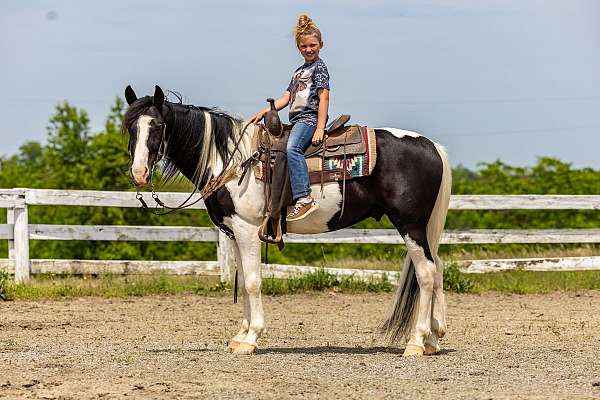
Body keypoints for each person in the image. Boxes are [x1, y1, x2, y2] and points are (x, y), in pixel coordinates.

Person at [250, 14, 330, 221]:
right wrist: (264, 111)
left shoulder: (319, 68)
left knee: (292, 148)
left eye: (313, 45)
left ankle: (304, 198)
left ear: (321, 44)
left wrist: (320, 127)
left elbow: (324, 97)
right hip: (296, 120)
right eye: (304, 46)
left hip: (309, 119)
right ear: (298, 48)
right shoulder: (298, 72)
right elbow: (286, 98)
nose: (309, 49)